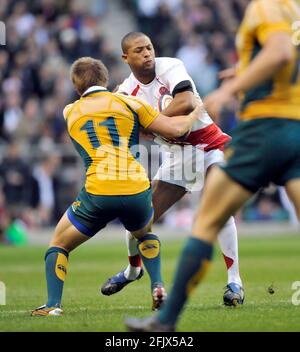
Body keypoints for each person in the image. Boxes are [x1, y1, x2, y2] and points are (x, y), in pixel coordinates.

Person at [125, 0, 300, 331]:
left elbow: (280, 54)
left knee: (208, 218)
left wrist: (228, 90)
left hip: (265, 128)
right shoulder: (294, 12)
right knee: (170, 216)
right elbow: (286, 58)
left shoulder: (266, 8)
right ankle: (140, 274)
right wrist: (247, 69)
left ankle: (167, 321)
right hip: (294, 125)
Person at [31, 56, 201, 316]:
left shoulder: (69, 111)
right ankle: (157, 285)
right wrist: (195, 113)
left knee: (59, 244)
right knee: (143, 232)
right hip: (135, 185)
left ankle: (53, 305)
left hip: (99, 190)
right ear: (106, 79)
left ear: (76, 87)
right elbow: (176, 130)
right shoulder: (129, 102)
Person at [101, 32, 244, 306]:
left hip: (210, 145)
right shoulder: (125, 91)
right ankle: (133, 270)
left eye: (149, 47)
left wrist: (148, 123)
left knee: (218, 208)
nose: (147, 53)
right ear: (125, 57)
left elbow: (186, 102)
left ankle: (234, 282)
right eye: (139, 50)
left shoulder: (170, 66)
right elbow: (117, 124)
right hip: (176, 156)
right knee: (140, 220)